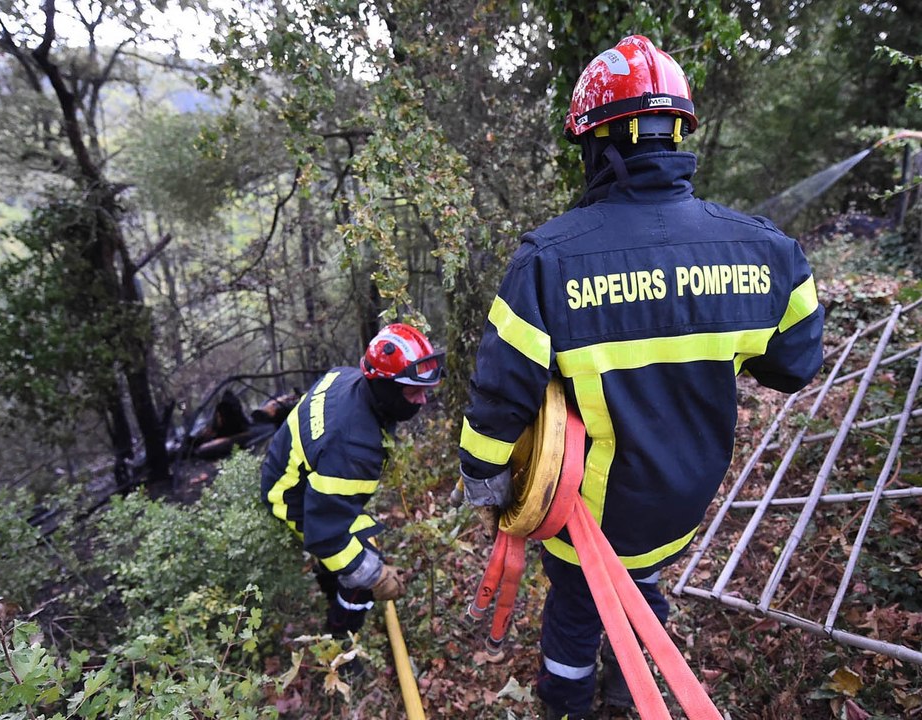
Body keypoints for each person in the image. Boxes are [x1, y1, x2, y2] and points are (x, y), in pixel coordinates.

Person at [457, 35, 825, 720]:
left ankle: (567, 705)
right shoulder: (767, 252)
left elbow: (501, 394)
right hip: (679, 504)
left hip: (586, 518)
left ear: (597, 144)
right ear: (677, 133)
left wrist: (485, 480)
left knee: (575, 612)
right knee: (642, 581)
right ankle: (630, 694)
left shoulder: (548, 261)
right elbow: (794, 365)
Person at [260, 322, 445, 674]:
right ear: (385, 387)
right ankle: (342, 648)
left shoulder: (347, 377)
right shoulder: (354, 449)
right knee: (358, 572)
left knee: (347, 556)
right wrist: (373, 575)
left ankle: (332, 584)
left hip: (295, 471)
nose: (422, 400)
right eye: (413, 392)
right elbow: (326, 535)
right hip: (291, 497)